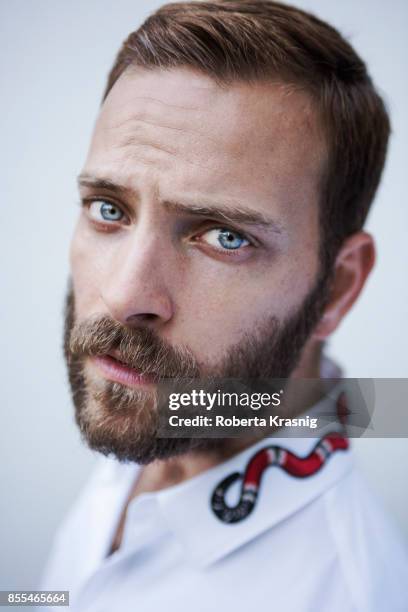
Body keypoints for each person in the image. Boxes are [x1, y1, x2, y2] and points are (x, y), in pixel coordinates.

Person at [40, 1, 408, 610]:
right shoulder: (170, 412)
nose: (126, 296)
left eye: (224, 237)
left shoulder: (343, 593)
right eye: (110, 209)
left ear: (337, 289)